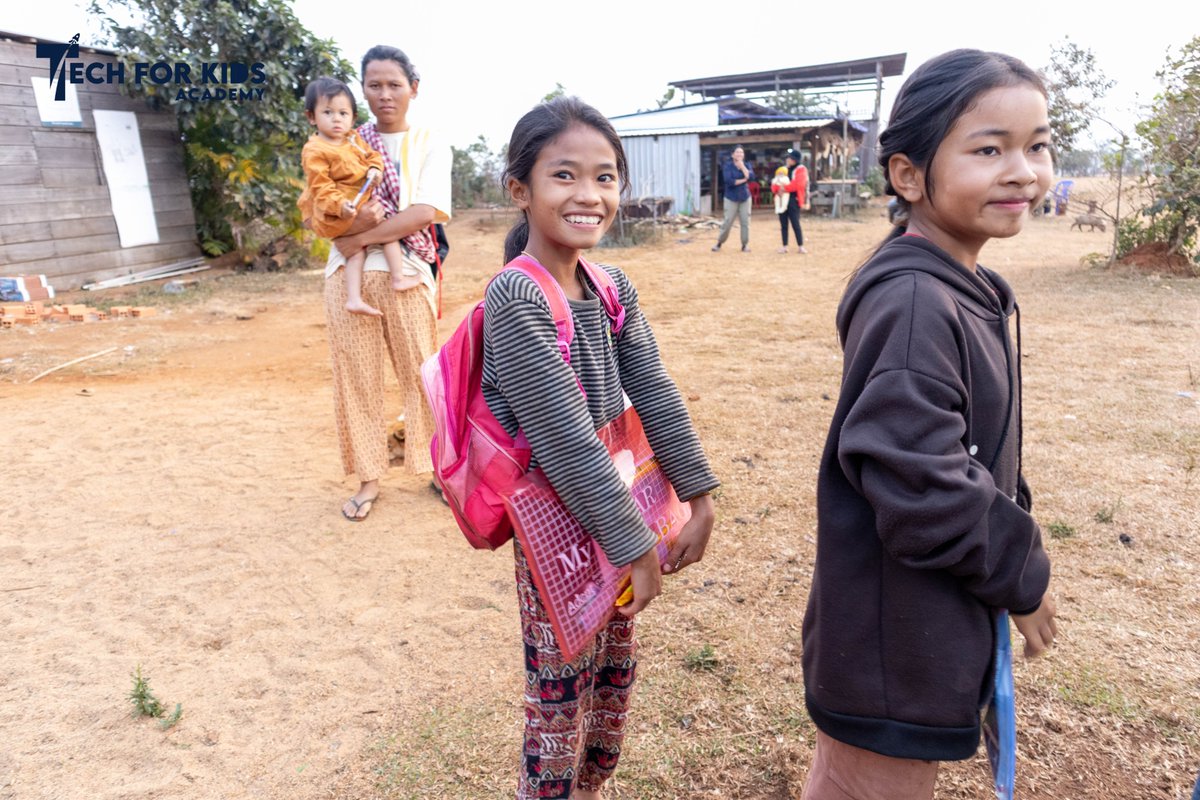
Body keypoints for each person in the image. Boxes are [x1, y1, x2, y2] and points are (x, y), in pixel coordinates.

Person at [801, 49, 1059, 799]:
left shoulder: (966, 283)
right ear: (909, 175)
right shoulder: (915, 300)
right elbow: (919, 481)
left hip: (908, 631)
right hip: (891, 648)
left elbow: (975, 444)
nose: (1022, 171)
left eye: (1036, 145)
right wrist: (1023, 574)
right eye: (988, 149)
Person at [484, 96, 719, 800]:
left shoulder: (612, 286)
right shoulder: (515, 299)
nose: (590, 195)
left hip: (619, 519)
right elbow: (563, 439)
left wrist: (698, 495)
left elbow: (653, 386)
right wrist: (633, 545)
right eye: (565, 176)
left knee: (613, 673)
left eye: (606, 176)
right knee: (559, 690)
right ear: (521, 191)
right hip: (560, 529)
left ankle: (591, 788)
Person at [323, 45, 451, 522]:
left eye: (394, 84)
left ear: (413, 89)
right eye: (373, 85)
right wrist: (348, 239)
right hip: (345, 276)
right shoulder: (345, 142)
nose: (384, 94)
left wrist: (360, 239)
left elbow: (422, 213)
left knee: (423, 375)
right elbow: (321, 204)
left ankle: (439, 469)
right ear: (362, 90)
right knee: (356, 379)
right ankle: (369, 479)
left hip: (408, 273)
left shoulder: (428, 142)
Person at [299, 76, 405, 317]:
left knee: (366, 245)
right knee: (380, 234)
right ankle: (379, 286)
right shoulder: (315, 149)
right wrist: (340, 206)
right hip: (337, 210)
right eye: (328, 112)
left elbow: (372, 156)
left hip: (359, 204)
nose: (337, 119)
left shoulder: (353, 139)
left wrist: (375, 169)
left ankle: (371, 291)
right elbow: (321, 187)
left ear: (353, 118)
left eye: (343, 113)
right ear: (311, 117)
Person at [711, 145, 754, 252]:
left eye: (741, 152)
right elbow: (730, 182)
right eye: (737, 152)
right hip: (731, 198)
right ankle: (719, 243)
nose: (740, 154)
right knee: (728, 221)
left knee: (745, 222)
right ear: (732, 154)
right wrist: (745, 179)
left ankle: (745, 245)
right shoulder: (728, 166)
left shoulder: (747, 164)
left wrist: (743, 167)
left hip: (745, 197)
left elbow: (752, 177)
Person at [773, 148, 808, 254]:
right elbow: (775, 182)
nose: (788, 159)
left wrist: (783, 188)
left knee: (795, 223)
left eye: (790, 158)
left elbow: (798, 184)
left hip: (793, 199)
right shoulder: (783, 169)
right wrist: (777, 190)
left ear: (795, 159)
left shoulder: (801, 169)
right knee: (783, 224)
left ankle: (800, 245)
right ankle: (785, 246)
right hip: (781, 198)